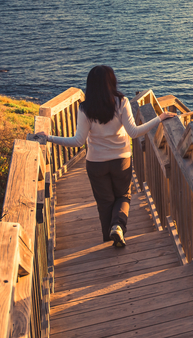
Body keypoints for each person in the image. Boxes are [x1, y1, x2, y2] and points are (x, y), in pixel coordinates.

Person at [29, 65, 175, 248]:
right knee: (123, 196)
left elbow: (77, 141)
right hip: (121, 159)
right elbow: (134, 132)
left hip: (96, 163)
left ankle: (109, 239)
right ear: (111, 81)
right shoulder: (121, 102)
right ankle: (118, 227)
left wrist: (48, 137)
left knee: (104, 203)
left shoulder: (85, 108)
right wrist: (159, 118)